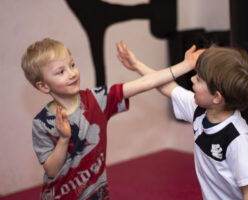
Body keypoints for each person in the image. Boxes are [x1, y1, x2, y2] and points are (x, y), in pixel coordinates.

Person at [21, 38, 201, 200]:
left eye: (72, 65)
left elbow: (144, 84)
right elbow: (51, 170)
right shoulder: (42, 122)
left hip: (97, 195)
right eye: (60, 71)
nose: (72, 73)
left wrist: (185, 66)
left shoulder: (97, 99)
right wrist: (63, 139)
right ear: (44, 86)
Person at [117, 40, 248, 200]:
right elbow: (167, 86)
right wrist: (137, 64)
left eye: (199, 79)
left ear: (216, 97)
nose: (192, 79)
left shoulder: (237, 138)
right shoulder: (199, 110)